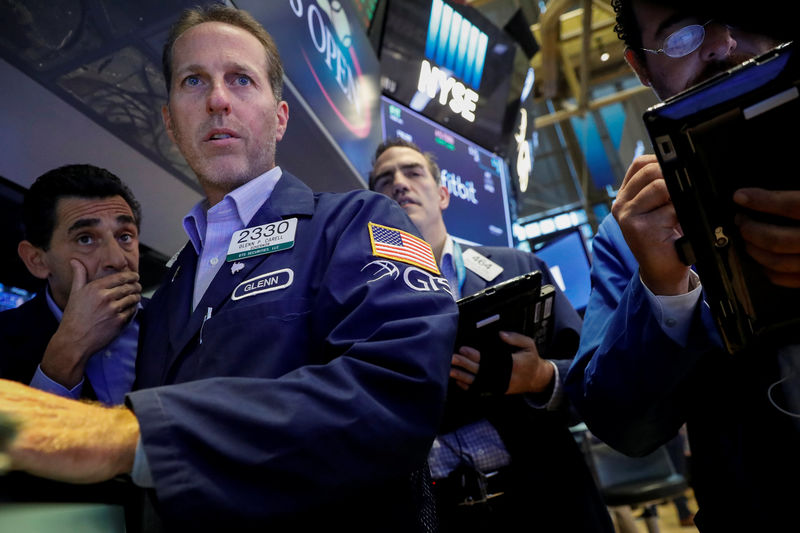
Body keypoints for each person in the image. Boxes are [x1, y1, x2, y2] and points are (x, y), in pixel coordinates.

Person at [0, 5, 458, 532]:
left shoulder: (355, 221)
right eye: (194, 81)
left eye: (241, 79)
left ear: (279, 117)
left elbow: (399, 392)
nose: (218, 100)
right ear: (171, 121)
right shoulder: (170, 287)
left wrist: (137, 435)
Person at [565, 1, 800, 531]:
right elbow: (623, 427)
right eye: (682, 36)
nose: (720, 43)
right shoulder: (631, 235)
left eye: (735, 13)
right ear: (641, 67)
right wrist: (663, 286)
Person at [369, 138, 615, 533]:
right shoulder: (366, 303)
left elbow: (594, 380)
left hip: (548, 504)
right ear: (373, 209)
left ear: (443, 194)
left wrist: (538, 378)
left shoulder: (518, 270)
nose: (399, 183)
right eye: (384, 180)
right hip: (442, 516)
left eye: (413, 172)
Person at [0, 164, 142, 406]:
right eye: (85, 238)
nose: (118, 260)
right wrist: (69, 349)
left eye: (125, 236)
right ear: (37, 260)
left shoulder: (176, 323)